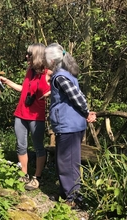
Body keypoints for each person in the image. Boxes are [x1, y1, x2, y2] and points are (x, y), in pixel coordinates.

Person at [44, 43, 96, 207]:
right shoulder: (62, 74)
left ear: (51, 60)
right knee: (63, 160)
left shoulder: (60, 77)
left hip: (69, 125)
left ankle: (74, 198)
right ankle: (66, 193)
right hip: (67, 125)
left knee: (68, 161)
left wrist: (87, 112)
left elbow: (77, 97)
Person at [0, 43, 51, 190]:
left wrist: (51, 92)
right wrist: (8, 82)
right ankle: (24, 174)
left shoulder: (47, 73)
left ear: (38, 56)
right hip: (20, 114)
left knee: (38, 147)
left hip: (36, 116)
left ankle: (37, 177)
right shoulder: (30, 71)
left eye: (29, 54)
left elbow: (64, 81)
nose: (26, 57)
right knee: (21, 145)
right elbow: (24, 89)